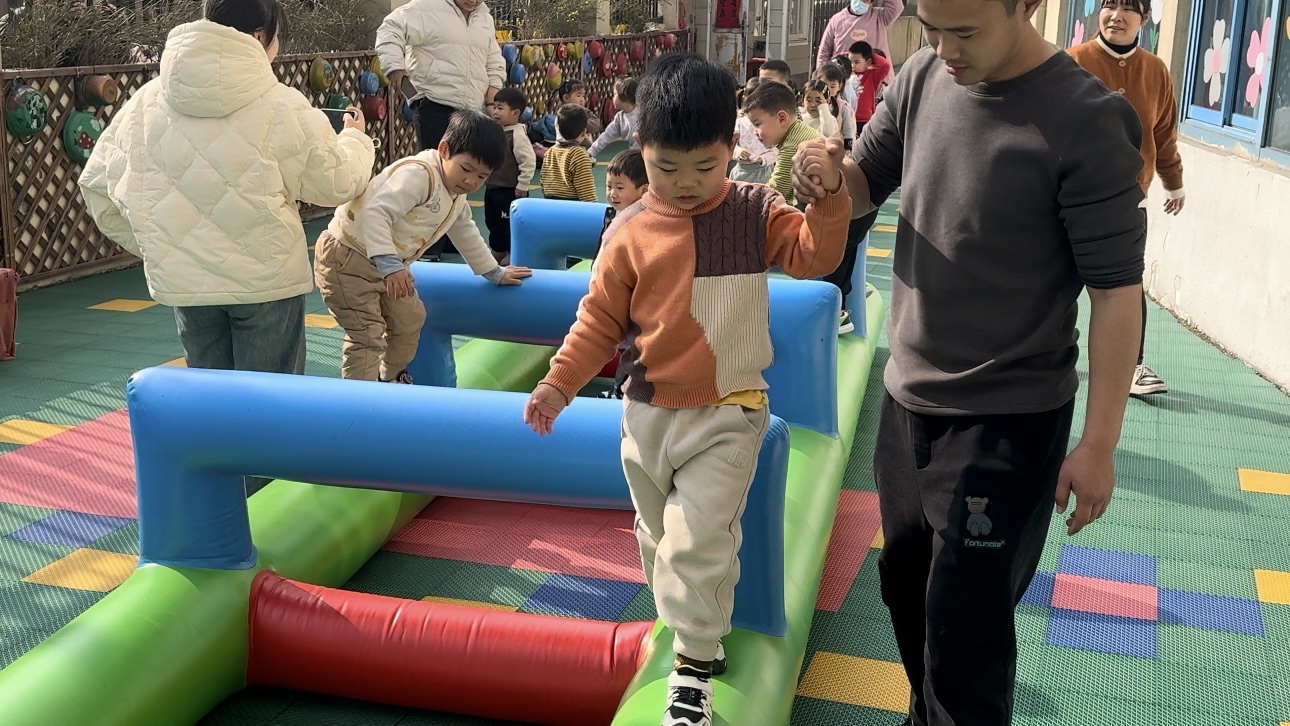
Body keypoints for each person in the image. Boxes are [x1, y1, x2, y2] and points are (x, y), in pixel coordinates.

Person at [791, 0, 1147, 720]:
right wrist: (828, 176)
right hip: (907, 398)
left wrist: (1099, 443)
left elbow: (1116, 294)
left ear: (1028, 6)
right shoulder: (923, 76)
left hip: (1007, 420)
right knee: (904, 583)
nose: (943, 48)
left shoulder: (1088, 120)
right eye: (929, 27)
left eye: (964, 31)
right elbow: (864, 183)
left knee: (966, 628)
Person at [523, 53, 850, 726]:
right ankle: (696, 626)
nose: (688, 185)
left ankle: (694, 669)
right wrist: (559, 383)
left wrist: (828, 197)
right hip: (645, 412)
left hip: (728, 408)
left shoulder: (754, 211)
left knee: (696, 539)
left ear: (732, 147)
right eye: (667, 169)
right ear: (641, 148)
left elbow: (814, 257)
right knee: (657, 538)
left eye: (706, 166)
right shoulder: (628, 231)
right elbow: (599, 320)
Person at [79, 0, 376, 497]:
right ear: (260, 35)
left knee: (212, 409)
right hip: (265, 283)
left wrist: (158, 245)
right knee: (270, 410)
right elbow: (337, 182)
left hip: (187, 287)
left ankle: (218, 516)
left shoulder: (146, 101)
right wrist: (356, 141)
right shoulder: (278, 101)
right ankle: (266, 516)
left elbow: (98, 189)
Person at [314, 111, 531, 383]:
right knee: (368, 333)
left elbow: (465, 231)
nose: (471, 181)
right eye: (466, 169)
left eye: (481, 176)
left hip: (390, 265)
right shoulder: (419, 175)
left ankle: (389, 377)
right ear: (444, 149)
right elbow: (376, 212)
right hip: (347, 256)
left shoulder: (455, 193)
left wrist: (493, 272)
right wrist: (391, 266)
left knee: (410, 319)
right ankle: (361, 399)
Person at [1068, 0, 1184, 397]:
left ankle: (1132, 367)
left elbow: (1163, 132)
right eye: (1109, 5)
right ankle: (1034, 357)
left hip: (1128, 196)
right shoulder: (1072, 62)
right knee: (1050, 278)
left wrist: (1173, 181)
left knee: (1125, 285)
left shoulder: (1156, 70)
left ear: (1145, 18)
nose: (1116, 16)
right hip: (1068, 192)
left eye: (1128, 9)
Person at [376, 0, 504, 152]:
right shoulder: (426, 7)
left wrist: (491, 102)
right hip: (434, 103)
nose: (473, 1)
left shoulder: (485, 18)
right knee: (436, 163)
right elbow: (390, 29)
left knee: (467, 164)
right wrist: (394, 66)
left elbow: (494, 60)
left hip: (473, 110)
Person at [596, 148, 650, 400]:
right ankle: (620, 390)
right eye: (609, 186)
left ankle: (621, 393)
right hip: (617, 296)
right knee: (627, 349)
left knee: (634, 351)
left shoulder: (640, 220)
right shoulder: (616, 216)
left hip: (633, 302)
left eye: (619, 188)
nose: (612, 193)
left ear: (643, 191)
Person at [742, 80, 821, 208]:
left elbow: (775, 192)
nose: (754, 132)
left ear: (781, 118)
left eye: (757, 124)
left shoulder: (792, 145)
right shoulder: (798, 130)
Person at [485, 87, 538, 263]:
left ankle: (512, 252)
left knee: (508, 224)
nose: (495, 112)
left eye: (500, 108)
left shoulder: (517, 135)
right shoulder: (497, 131)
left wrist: (522, 184)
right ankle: (498, 249)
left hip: (509, 190)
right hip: (493, 187)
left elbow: (528, 161)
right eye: (494, 107)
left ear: (515, 113)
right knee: (493, 222)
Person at [816, 0, 904, 82]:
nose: (862, 1)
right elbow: (824, 52)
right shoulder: (836, 20)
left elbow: (896, 7)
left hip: (876, 81)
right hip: (845, 82)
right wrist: (821, 78)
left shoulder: (880, 17)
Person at [540, 105, 599, 202]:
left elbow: (544, 181)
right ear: (583, 132)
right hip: (572, 205)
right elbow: (586, 190)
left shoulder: (550, 151)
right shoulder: (579, 154)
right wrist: (593, 207)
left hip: (550, 202)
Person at [731, 78, 778, 184]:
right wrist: (738, 152)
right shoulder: (739, 123)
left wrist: (762, 159)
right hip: (742, 172)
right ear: (744, 97)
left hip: (764, 172)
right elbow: (730, 145)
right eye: (750, 97)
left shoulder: (771, 124)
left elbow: (775, 150)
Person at [589, 77, 640, 158]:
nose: (613, 98)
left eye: (615, 94)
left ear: (624, 95)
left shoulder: (641, 114)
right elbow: (607, 135)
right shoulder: (620, 118)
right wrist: (591, 151)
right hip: (633, 155)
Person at [849, 41, 893, 129]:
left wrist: (870, 55)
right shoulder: (847, 72)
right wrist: (849, 53)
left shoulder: (873, 76)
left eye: (857, 62)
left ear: (869, 62)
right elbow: (838, 58)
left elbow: (885, 64)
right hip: (848, 116)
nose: (852, 65)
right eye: (850, 61)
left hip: (864, 119)